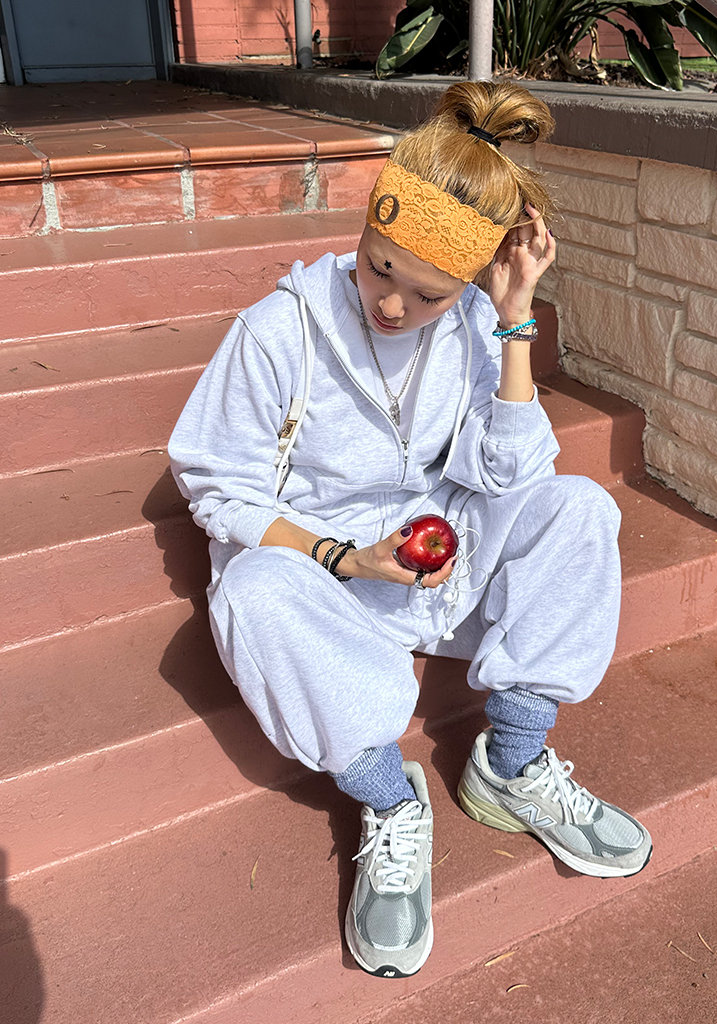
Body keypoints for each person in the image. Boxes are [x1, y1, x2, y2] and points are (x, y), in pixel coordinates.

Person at [168, 80, 651, 980]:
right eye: (377, 266)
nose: (391, 305)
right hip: (333, 585)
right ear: (366, 228)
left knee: (580, 506)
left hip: (439, 562)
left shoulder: (471, 323)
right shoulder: (278, 332)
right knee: (252, 589)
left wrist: (512, 321)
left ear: (465, 282)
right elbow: (215, 481)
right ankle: (391, 801)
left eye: (428, 293)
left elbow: (512, 473)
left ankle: (511, 763)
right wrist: (344, 556)